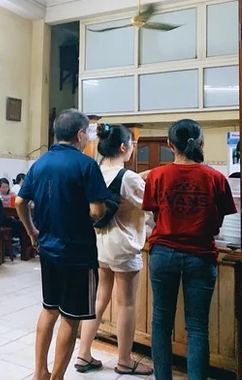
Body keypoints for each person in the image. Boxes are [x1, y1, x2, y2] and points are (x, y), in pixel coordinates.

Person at [15, 109, 109, 380]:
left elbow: (20, 202)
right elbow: (96, 210)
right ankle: (56, 378)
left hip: (48, 249)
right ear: (80, 134)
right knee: (71, 315)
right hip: (77, 252)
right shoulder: (86, 164)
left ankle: (39, 373)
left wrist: (32, 230)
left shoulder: (40, 163)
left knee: (49, 308)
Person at [142, 119, 236, 380]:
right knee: (197, 327)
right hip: (201, 256)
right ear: (201, 142)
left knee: (161, 324)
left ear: (170, 145)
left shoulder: (157, 175)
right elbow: (218, 224)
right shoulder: (216, 178)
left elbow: (154, 216)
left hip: (163, 254)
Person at [76, 124, 154, 376]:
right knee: (127, 304)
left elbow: (114, 189)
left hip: (100, 244)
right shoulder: (128, 178)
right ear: (123, 147)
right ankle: (124, 360)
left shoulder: (95, 171)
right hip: (123, 247)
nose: (132, 148)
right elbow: (150, 204)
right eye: (131, 144)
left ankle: (84, 354)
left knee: (99, 299)